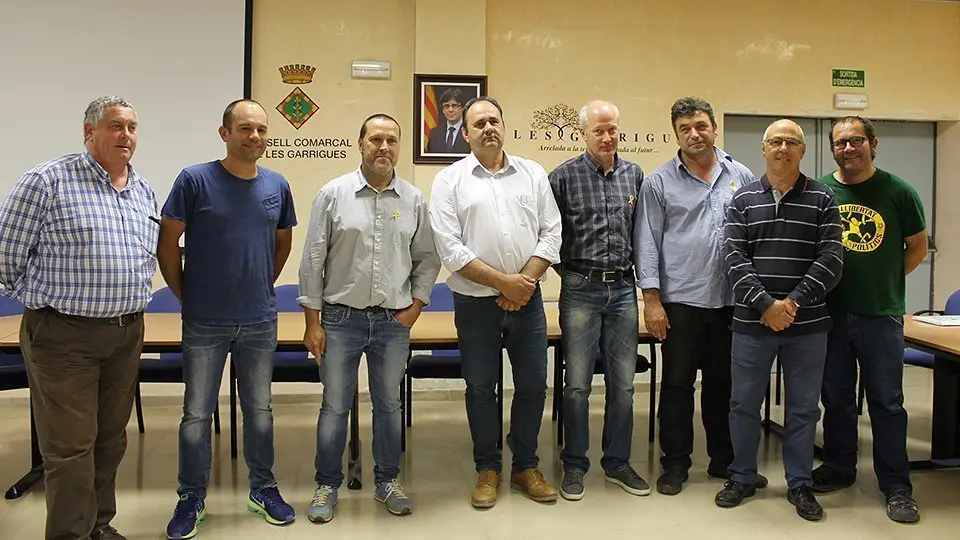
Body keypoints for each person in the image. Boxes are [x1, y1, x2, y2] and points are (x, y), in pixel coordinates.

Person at [0, 96, 157, 540]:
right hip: (63, 335)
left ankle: (97, 527)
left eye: (131, 126)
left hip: (125, 333)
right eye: (114, 126)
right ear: (88, 132)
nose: (125, 134)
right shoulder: (48, 181)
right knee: (71, 448)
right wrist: (43, 303)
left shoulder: (141, 188)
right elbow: (5, 255)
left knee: (111, 440)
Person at [159, 99, 297, 539]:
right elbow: (168, 243)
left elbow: (282, 243)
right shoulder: (194, 179)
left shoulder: (277, 183)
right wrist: (187, 293)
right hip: (205, 321)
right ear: (225, 133)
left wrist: (259, 283)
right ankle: (191, 497)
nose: (254, 137)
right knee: (197, 414)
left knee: (259, 411)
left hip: (259, 319)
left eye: (261, 129)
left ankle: (263, 489)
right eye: (244, 129)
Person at [298, 113, 441, 522]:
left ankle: (388, 481)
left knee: (389, 405)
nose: (384, 147)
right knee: (335, 406)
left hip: (393, 322)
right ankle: (327, 484)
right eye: (375, 139)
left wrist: (416, 305)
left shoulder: (413, 199)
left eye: (392, 140)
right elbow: (312, 259)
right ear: (360, 144)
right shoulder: (333, 194)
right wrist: (313, 321)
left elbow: (427, 259)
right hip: (340, 319)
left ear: (399, 147)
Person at [428, 96, 562, 508]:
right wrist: (506, 283)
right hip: (475, 304)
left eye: (495, 121)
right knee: (481, 388)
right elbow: (449, 249)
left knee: (533, 386)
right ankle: (488, 468)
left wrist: (525, 283)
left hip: (528, 300)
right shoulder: (450, 181)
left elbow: (552, 233)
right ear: (465, 134)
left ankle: (525, 465)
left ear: (505, 126)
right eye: (479, 123)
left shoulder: (532, 173)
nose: (489, 128)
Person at [716, 119, 843, 521]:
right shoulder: (742, 200)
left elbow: (832, 260)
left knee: (804, 410)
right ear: (763, 149)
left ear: (803, 151)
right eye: (776, 141)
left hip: (807, 327)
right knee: (743, 405)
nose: (783, 148)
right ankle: (742, 476)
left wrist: (791, 303)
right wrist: (766, 306)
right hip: (752, 325)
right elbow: (733, 259)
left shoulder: (823, 199)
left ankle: (800, 484)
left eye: (792, 142)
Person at [635, 97, 757, 495]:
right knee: (677, 386)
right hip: (681, 301)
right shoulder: (658, 182)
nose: (694, 134)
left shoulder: (741, 175)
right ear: (676, 134)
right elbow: (647, 244)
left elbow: (755, 235)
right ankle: (675, 465)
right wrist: (651, 301)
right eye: (685, 128)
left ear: (714, 127)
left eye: (701, 125)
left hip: (730, 302)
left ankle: (724, 460)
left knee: (725, 385)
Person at [814, 116, 927, 524]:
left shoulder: (899, 192)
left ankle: (897, 486)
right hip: (831, 315)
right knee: (837, 400)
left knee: (887, 403)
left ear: (873, 144)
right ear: (832, 149)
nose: (849, 149)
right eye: (841, 143)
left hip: (881, 316)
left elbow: (918, 245)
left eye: (856, 141)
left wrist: (888, 280)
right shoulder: (821, 190)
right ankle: (839, 467)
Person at [548, 99, 648, 501]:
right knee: (576, 385)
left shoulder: (634, 175)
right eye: (598, 131)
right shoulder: (563, 177)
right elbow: (548, 238)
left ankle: (617, 462)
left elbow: (642, 235)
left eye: (612, 130)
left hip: (624, 291)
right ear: (582, 134)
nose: (607, 138)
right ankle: (575, 465)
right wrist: (570, 277)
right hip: (580, 291)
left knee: (623, 385)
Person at [426, 88, 470, 154]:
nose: (450, 110)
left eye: (454, 105)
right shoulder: (434, 133)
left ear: (463, 108)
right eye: (446, 106)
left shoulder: (469, 131)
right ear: (443, 110)